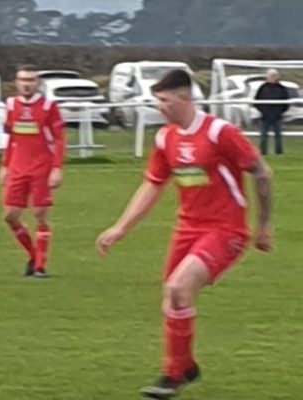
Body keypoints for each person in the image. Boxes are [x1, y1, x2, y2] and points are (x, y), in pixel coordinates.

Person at [96, 69, 272, 399]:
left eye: (163, 100)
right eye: (157, 101)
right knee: (172, 298)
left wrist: (262, 226)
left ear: (184, 98)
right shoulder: (165, 138)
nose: (159, 107)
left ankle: (173, 376)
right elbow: (152, 184)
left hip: (226, 229)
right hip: (187, 228)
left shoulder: (220, 133)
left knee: (179, 287)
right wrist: (120, 227)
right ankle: (186, 366)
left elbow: (262, 173)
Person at [0, 65, 66, 278]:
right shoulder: (10, 104)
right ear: (16, 82)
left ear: (37, 83)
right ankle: (33, 254)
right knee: (10, 216)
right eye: (22, 79)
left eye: (31, 80)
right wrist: (5, 165)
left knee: (39, 214)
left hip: (41, 167)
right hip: (18, 167)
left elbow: (59, 139)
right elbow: (12, 138)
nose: (26, 84)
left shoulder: (48, 106)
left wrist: (57, 168)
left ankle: (40, 266)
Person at [254, 68, 289, 155]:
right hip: (265, 116)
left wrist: (280, 111)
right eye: (270, 76)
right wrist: (263, 111)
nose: (271, 78)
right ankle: (263, 153)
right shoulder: (262, 88)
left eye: (273, 76)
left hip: (277, 116)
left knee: (278, 136)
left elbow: (287, 102)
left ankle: (279, 153)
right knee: (263, 136)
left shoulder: (282, 88)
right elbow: (256, 101)